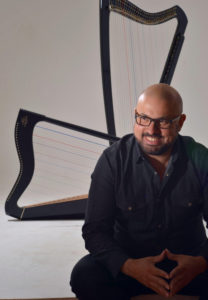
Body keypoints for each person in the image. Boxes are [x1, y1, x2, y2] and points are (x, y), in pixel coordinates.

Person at [70, 83, 208, 300]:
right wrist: (129, 266)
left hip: (189, 267)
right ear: (136, 115)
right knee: (84, 275)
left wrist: (200, 263)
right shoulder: (112, 160)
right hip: (131, 266)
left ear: (180, 123)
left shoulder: (201, 158)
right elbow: (95, 231)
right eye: (144, 118)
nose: (151, 130)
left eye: (163, 121)